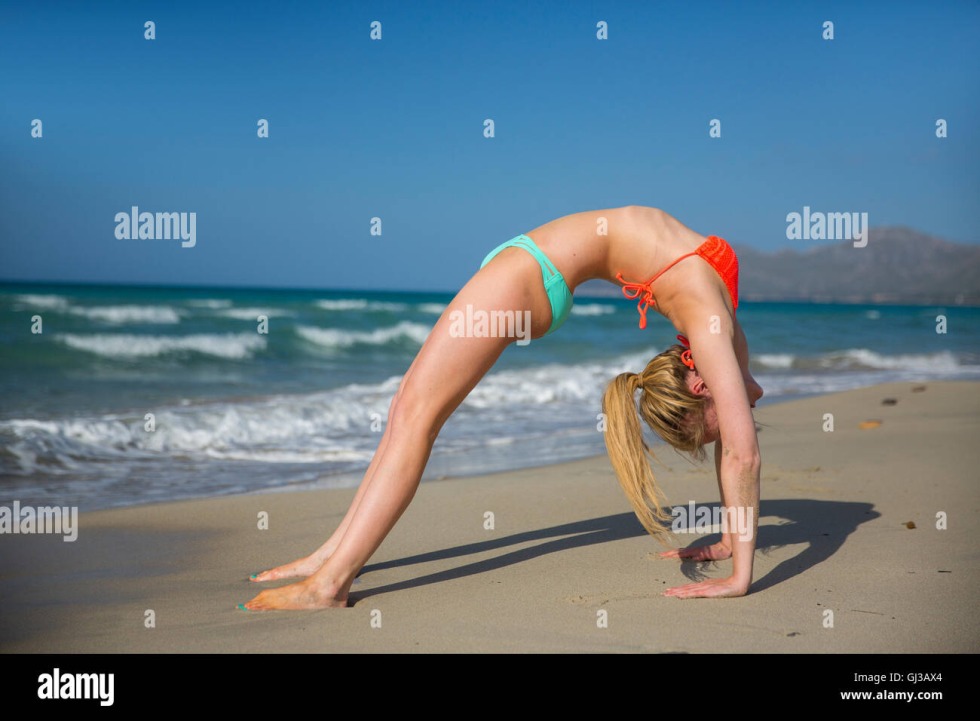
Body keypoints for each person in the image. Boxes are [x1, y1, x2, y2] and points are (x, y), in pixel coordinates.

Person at [242, 205, 764, 610]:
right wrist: (733, 556)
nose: (726, 429)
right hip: (529, 271)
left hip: (531, 274)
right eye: (706, 432)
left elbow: (739, 440)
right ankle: (330, 557)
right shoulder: (713, 324)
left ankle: (330, 583)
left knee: (414, 416)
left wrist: (735, 557)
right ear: (701, 388)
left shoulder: (710, 319)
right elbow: (743, 454)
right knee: (409, 409)